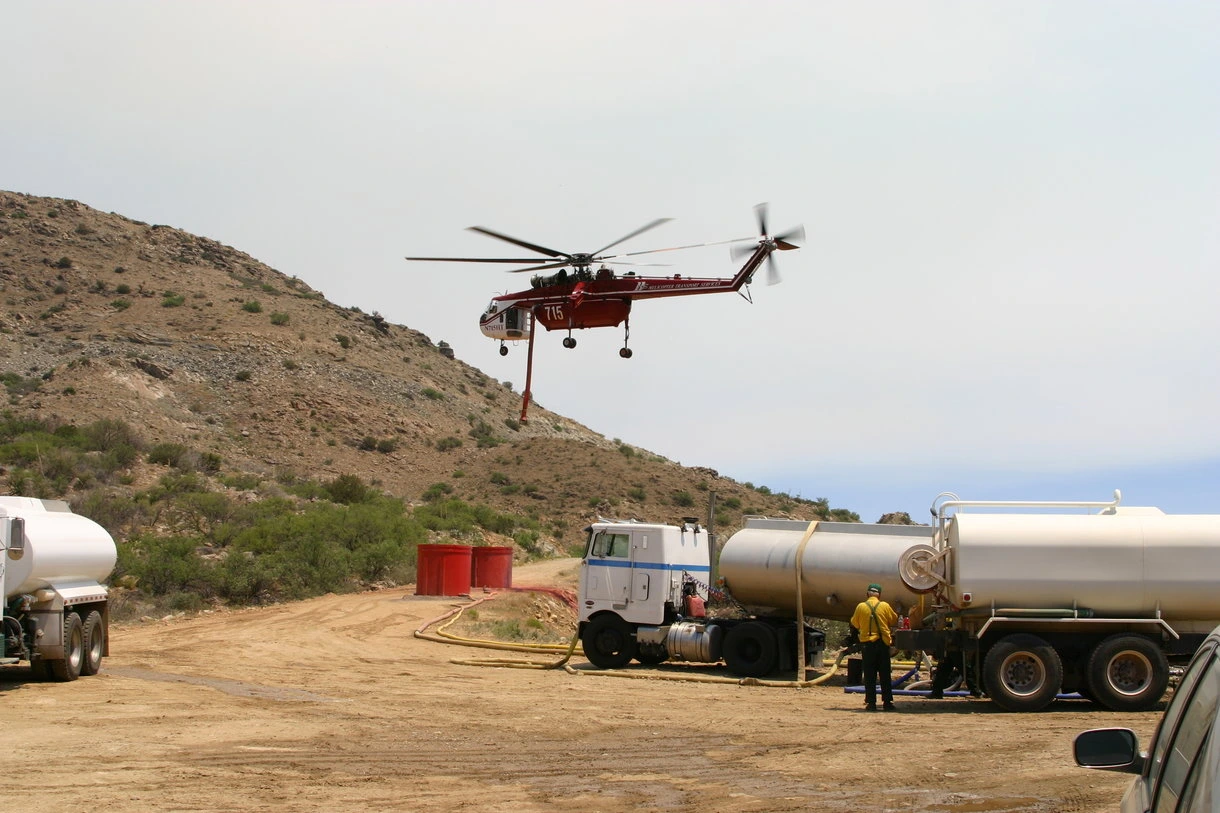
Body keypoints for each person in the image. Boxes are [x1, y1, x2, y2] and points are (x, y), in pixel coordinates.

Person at [850, 583, 899, 711]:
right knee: (885, 674)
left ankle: (871, 703)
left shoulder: (861, 607)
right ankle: (887, 702)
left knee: (869, 674)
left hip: (867, 645)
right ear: (880, 595)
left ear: (867, 595)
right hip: (882, 644)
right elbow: (893, 619)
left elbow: (855, 623)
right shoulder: (884, 606)